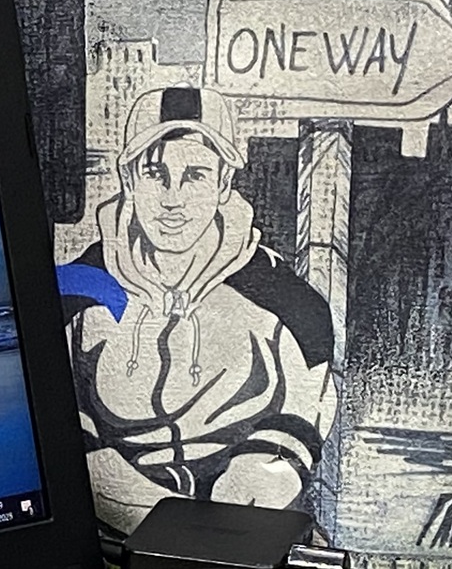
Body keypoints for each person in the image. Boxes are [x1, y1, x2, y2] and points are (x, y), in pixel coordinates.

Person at [57, 86, 336, 536]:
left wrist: (260, 478)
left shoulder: (288, 304)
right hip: (112, 538)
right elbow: (71, 453)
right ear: (128, 179)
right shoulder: (75, 296)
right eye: (155, 173)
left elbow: (298, 426)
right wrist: (184, 530)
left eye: (195, 175)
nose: (173, 198)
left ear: (224, 183)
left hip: (248, 534)